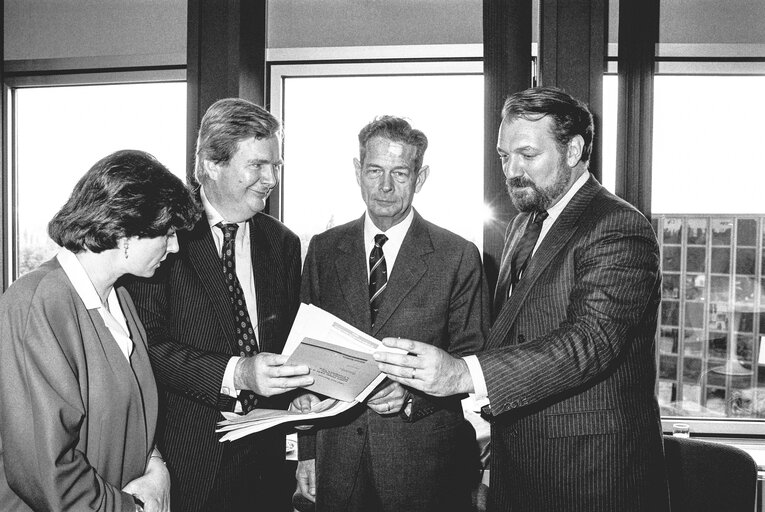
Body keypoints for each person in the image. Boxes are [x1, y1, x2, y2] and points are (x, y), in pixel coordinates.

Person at [374, 87, 670, 511]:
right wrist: (419, 390)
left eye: (527, 155)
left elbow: (588, 343)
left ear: (574, 151)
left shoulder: (618, 226)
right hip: (520, 469)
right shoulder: (522, 226)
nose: (511, 171)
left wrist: (460, 375)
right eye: (503, 156)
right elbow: (503, 341)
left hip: (592, 478)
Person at [125, 98, 313, 512]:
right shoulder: (161, 235)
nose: (271, 179)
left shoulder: (283, 243)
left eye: (275, 166)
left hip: (266, 467)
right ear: (212, 163)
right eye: (258, 166)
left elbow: (288, 345)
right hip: (185, 463)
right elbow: (147, 347)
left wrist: (300, 405)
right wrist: (239, 372)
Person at [293, 116, 488, 512]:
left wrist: (412, 395)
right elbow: (304, 353)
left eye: (400, 173)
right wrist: (307, 452)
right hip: (338, 463)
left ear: (421, 177)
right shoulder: (324, 249)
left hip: (424, 468)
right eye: (374, 171)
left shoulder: (457, 255)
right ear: (357, 171)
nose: (385, 186)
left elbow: (473, 358)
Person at [0, 149, 200, 512]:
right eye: (167, 234)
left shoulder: (119, 297)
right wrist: (133, 508)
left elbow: (131, 411)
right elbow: (46, 472)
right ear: (125, 231)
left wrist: (156, 466)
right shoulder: (37, 303)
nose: (174, 246)